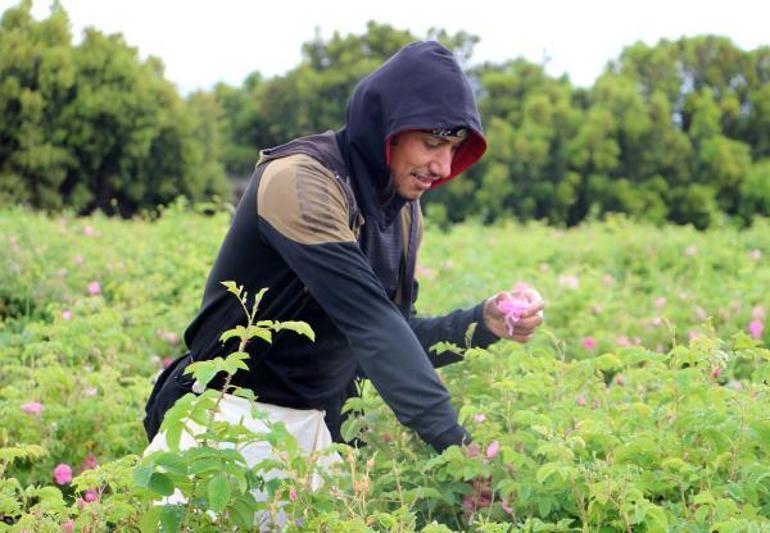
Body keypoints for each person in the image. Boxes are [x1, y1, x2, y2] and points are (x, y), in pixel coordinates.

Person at [143, 41, 544, 458]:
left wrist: (483, 323)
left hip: (315, 430)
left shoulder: (403, 211)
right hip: (224, 419)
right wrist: (458, 446)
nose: (444, 167)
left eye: (454, 148)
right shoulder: (301, 181)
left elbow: (393, 332)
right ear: (386, 127)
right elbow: (370, 324)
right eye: (430, 143)